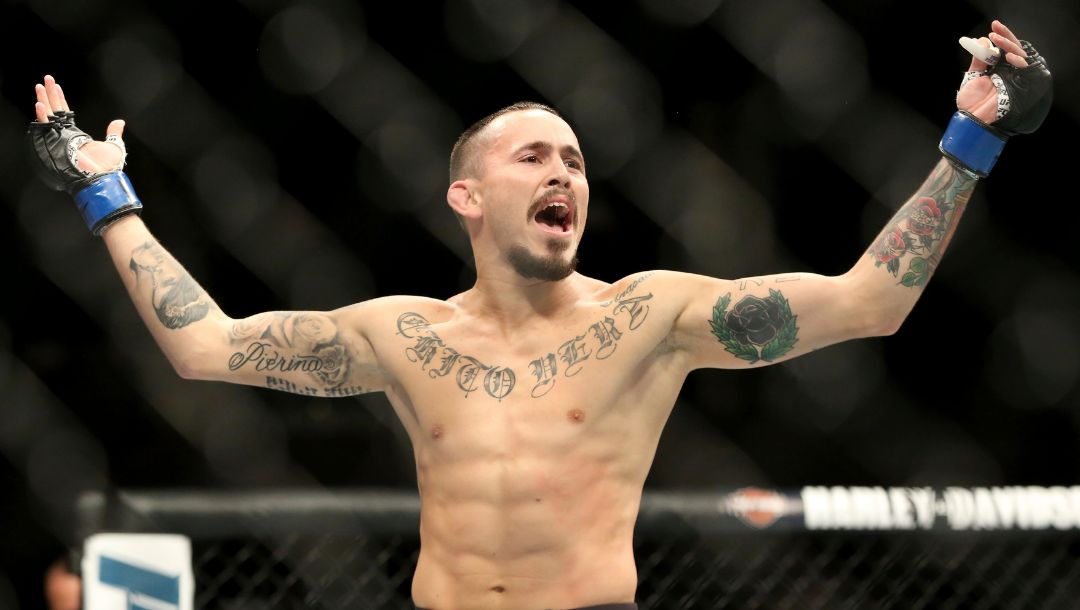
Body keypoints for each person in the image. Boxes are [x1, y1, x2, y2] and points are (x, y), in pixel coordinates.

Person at [27, 19, 1050, 610]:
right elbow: (204, 346)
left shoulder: (652, 316)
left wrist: (970, 141)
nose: (564, 170)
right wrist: (105, 194)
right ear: (466, 197)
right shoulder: (401, 333)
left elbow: (869, 302)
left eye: (576, 158)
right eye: (534, 156)